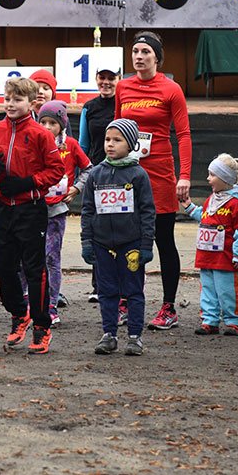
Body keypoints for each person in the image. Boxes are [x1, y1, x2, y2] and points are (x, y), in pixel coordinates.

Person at [0, 78, 65, 355]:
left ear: (32, 104)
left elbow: (57, 170)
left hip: (31, 209)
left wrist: (29, 182)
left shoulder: (41, 134)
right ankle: (19, 314)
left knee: (34, 269)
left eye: (17, 100)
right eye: (7, 99)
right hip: (4, 207)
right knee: (4, 267)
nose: (10, 104)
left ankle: (42, 327)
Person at [114, 32, 191, 331]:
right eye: (135, 51)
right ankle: (127, 300)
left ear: (156, 57)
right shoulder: (123, 87)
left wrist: (184, 175)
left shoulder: (171, 89)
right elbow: (117, 130)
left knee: (163, 240)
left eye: (146, 51)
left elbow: (183, 135)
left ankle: (169, 307)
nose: (139, 56)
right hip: (128, 174)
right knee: (127, 240)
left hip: (159, 174)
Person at [81, 119, 156, 357]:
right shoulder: (95, 174)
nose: (110, 144)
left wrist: (145, 245)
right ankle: (109, 334)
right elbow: (87, 210)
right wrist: (87, 242)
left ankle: (134, 337)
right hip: (102, 245)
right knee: (107, 291)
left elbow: (147, 211)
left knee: (133, 291)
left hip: (131, 244)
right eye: (107, 139)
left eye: (117, 140)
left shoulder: (138, 175)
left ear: (131, 144)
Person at [180, 154, 238, 337]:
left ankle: (233, 321)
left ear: (225, 178)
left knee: (227, 291)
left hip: (225, 259)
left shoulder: (237, 204)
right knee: (208, 291)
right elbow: (204, 217)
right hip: (207, 257)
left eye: (212, 175)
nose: (208, 179)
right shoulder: (212, 200)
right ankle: (209, 321)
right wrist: (189, 207)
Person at [37, 101, 91, 324]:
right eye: (43, 122)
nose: (48, 127)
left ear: (62, 125)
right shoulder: (34, 143)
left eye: (53, 123)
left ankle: (51, 305)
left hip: (57, 210)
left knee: (52, 257)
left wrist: (77, 188)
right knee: (29, 257)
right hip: (34, 209)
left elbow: (89, 168)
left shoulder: (70, 144)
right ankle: (29, 301)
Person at [77, 65, 119, 302]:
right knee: (96, 229)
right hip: (96, 175)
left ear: (118, 80)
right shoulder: (89, 108)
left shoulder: (122, 104)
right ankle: (98, 285)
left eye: (110, 78)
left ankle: (120, 284)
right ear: (96, 80)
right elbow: (83, 145)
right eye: (102, 78)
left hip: (120, 175)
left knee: (119, 228)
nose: (106, 82)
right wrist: (80, 177)